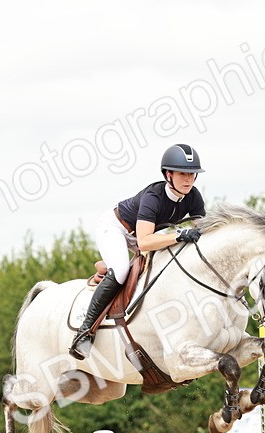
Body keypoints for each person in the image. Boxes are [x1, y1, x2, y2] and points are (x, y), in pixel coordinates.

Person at [68, 143, 207, 359]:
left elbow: (203, 229)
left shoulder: (193, 196)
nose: (188, 179)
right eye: (182, 174)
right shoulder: (154, 196)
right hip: (116, 228)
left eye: (192, 174)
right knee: (122, 270)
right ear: (168, 174)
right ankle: (84, 332)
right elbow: (143, 242)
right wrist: (179, 235)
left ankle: (108, 267)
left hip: (144, 234)